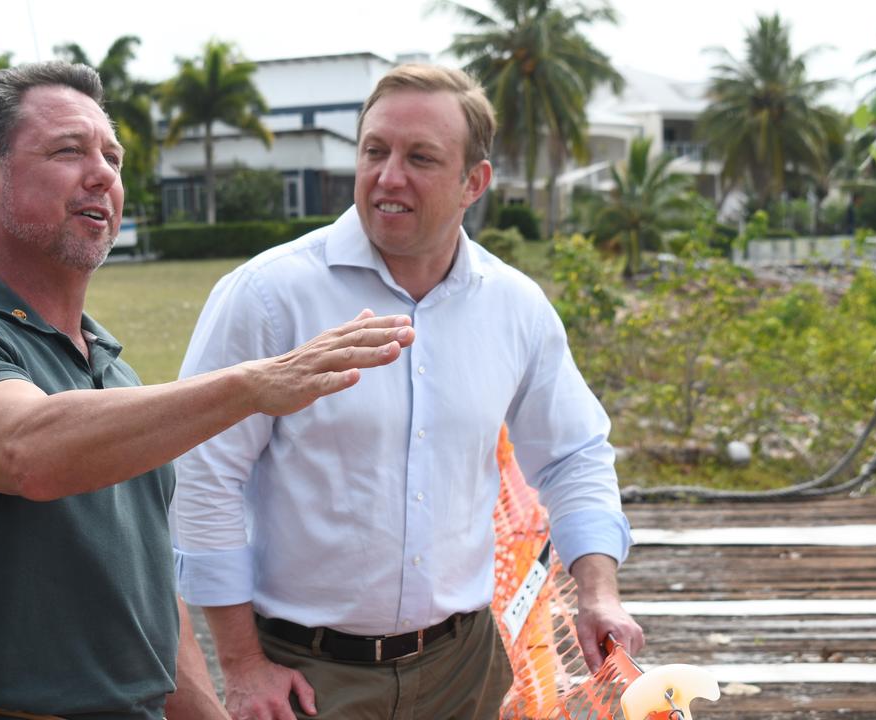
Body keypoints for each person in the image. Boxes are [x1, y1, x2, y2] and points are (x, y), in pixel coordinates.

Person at [0, 61, 415, 720]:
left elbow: (151, 597)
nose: (102, 174)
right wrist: (253, 384)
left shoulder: (113, 371)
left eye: (113, 157)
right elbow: (28, 451)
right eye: (68, 151)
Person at [171, 64, 644, 720]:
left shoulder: (515, 307)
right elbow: (202, 475)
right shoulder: (269, 297)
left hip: (465, 671)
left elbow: (573, 456)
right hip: (307, 677)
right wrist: (243, 665)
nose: (389, 176)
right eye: (375, 151)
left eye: (420, 157)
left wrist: (598, 592)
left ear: (472, 182)